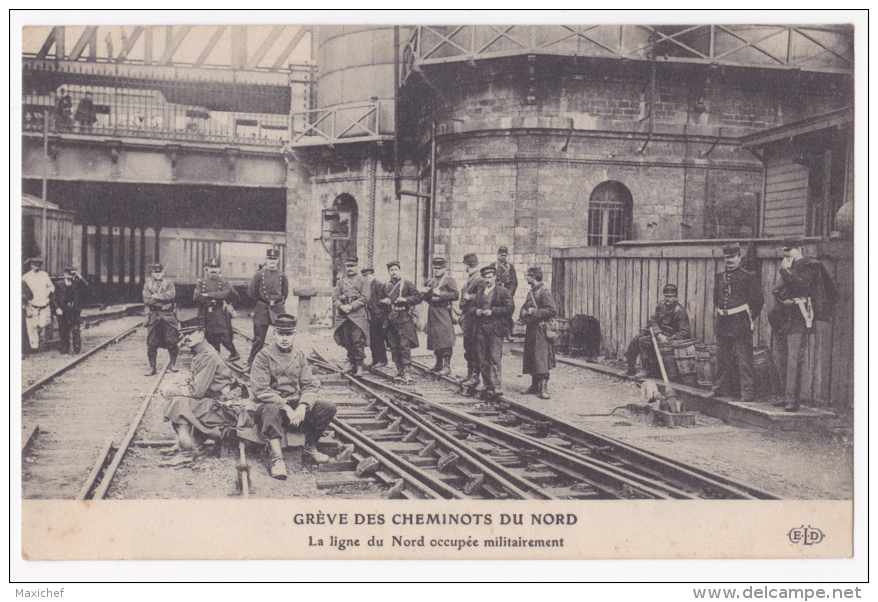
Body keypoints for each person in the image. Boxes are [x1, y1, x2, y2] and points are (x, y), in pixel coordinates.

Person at [250, 314, 337, 479]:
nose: (284, 338)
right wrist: (286, 407)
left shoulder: (299, 355)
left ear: (294, 335)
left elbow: (309, 385)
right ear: (274, 334)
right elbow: (260, 389)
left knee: (327, 407)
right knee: (270, 410)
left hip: (294, 404)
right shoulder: (263, 356)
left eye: (288, 334)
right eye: (281, 334)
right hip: (271, 404)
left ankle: (309, 446)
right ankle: (277, 459)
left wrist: (303, 405)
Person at [161, 318, 245, 465]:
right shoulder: (201, 351)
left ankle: (186, 452)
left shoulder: (206, 355)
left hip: (227, 409)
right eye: (184, 334)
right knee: (181, 402)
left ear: (201, 334)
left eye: (191, 333)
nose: (186, 338)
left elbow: (196, 392)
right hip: (221, 404)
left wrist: (171, 390)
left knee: (178, 404)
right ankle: (191, 443)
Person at [769, 236, 837, 412]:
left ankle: (792, 400)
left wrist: (785, 271)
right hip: (783, 315)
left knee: (794, 360)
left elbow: (801, 286)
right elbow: (777, 289)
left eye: (789, 250)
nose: (786, 254)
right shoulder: (786, 266)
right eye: (784, 251)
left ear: (799, 249)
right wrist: (782, 299)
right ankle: (784, 396)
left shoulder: (811, 265)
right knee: (782, 357)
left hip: (800, 316)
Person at [713, 243, 764, 402]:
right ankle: (720, 389)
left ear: (739, 258)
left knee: (744, 359)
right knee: (722, 357)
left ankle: (747, 392)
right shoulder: (719, 277)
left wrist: (747, 317)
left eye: (733, 257)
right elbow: (717, 300)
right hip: (723, 321)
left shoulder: (749, 277)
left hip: (740, 322)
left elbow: (758, 302)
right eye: (727, 257)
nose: (729, 260)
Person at [624, 284, 691, 377]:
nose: (667, 299)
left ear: (675, 298)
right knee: (635, 340)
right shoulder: (661, 305)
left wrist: (669, 339)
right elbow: (653, 320)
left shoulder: (680, 311)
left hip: (668, 337)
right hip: (657, 333)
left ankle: (647, 370)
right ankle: (630, 370)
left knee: (644, 341)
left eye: (670, 297)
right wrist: (658, 333)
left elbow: (684, 332)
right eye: (666, 296)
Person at [472, 265, 515, 398]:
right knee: (482, 358)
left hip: (495, 328)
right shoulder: (480, 292)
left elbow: (509, 308)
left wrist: (493, 311)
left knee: (495, 357)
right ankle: (487, 384)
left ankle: (496, 385)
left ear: (495, 277)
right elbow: (472, 307)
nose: (487, 280)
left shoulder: (503, 291)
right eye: (485, 277)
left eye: (490, 277)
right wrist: (476, 311)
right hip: (481, 328)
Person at [379, 261, 422, 385]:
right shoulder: (385, 286)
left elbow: (418, 298)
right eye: (391, 270)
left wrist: (406, 299)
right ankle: (399, 369)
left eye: (396, 269)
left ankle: (407, 371)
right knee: (393, 345)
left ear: (399, 270)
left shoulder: (407, 284)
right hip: (390, 319)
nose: (394, 272)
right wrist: (383, 301)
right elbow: (378, 301)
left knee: (404, 345)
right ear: (388, 272)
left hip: (404, 319)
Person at [519, 266, 558, 399]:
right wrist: (523, 312)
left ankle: (543, 388)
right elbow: (525, 307)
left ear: (534, 277)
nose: (527, 278)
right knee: (531, 357)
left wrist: (533, 312)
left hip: (541, 330)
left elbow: (552, 310)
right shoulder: (531, 292)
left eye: (528, 276)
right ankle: (534, 386)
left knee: (541, 358)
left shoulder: (544, 292)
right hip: (532, 329)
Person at [247, 248, 288, 368]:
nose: (272, 261)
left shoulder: (282, 276)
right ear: (266, 259)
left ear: (278, 260)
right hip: (262, 308)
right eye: (270, 259)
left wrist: (277, 303)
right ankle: (251, 363)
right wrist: (262, 302)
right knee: (259, 339)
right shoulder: (259, 275)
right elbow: (251, 293)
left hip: (278, 308)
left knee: (282, 337)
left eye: (274, 259)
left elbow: (285, 293)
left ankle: (283, 363)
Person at [194, 257, 240, 362]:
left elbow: (226, 294)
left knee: (224, 336)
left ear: (219, 269)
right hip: (206, 313)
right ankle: (216, 358)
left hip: (219, 312)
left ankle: (234, 354)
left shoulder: (223, 281)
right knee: (210, 336)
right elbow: (196, 297)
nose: (213, 270)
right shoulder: (201, 282)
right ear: (206, 268)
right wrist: (216, 297)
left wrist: (208, 294)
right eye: (211, 267)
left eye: (216, 267)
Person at [419, 257, 459, 375]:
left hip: (443, 312)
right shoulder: (432, 281)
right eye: (434, 268)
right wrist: (424, 293)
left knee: (445, 339)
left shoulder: (448, 280)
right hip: (433, 312)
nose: (436, 271)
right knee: (436, 339)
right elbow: (427, 298)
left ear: (444, 268)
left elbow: (456, 295)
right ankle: (438, 364)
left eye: (439, 268)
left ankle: (447, 366)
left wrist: (440, 293)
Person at [332, 255, 371, 375]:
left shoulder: (363, 280)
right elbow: (335, 297)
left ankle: (360, 365)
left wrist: (351, 306)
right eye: (348, 266)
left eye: (352, 266)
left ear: (357, 266)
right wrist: (341, 305)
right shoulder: (341, 281)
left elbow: (365, 297)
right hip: (344, 315)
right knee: (347, 339)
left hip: (357, 315)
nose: (350, 268)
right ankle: (351, 362)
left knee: (357, 340)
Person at [143, 262, 179, 375]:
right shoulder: (147, 285)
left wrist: (157, 296)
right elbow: (147, 300)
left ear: (163, 272)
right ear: (152, 273)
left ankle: (172, 364)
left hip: (168, 316)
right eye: (155, 272)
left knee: (171, 340)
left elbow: (171, 296)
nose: (158, 274)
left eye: (160, 272)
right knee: (151, 343)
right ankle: (152, 368)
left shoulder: (169, 283)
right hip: (154, 316)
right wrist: (163, 303)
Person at [459, 253, 485, 390]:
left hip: (475, 320)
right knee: (468, 348)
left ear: (466, 264)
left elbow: (483, 296)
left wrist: (469, 297)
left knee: (474, 349)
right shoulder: (472, 278)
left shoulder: (479, 279)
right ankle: (470, 375)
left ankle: (475, 377)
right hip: (468, 319)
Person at [52, 267, 89, 355]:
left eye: (72, 274)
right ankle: (65, 347)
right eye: (68, 274)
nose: (70, 276)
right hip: (62, 310)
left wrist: (79, 275)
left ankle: (77, 348)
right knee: (63, 329)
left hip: (74, 310)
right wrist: (57, 308)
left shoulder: (77, 284)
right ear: (64, 274)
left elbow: (86, 286)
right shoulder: (58, 284)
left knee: (76, 329)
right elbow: (53, 299)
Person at [22, 257, 55, 352]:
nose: (36, 267)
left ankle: (42, 342)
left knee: (43, 324)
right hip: (32, 305)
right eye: (34, 265)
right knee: (32, 326)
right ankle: (34, 347)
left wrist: (48, 292)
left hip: (44, 304)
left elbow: (51, 286)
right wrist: (25, 304)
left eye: (38, 265)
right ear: (31, 265)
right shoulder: (25, 277)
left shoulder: (44, 275)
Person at [362, 267, 388, 368]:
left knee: (379, 339)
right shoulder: (365, 286)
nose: (366, 278)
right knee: (373, 339)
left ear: (372, 275)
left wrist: (380, 312)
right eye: (364, 276)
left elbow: (383, 299)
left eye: (367, 276)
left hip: (378, 316)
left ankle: (382, 360)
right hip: (370, 316)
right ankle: (375, 360)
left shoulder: (378, 284)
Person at [492, 246, 518, 341]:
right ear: (498, 255)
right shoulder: (493, 266)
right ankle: (497, 334)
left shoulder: (510, 267)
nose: (503, 257)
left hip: (507, 294)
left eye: (505, 255)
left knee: (508, 313)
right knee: (497, 313)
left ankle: (508, 333)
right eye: (501, 255)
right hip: (497, 293)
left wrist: (509, 294)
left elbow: (514, 282)